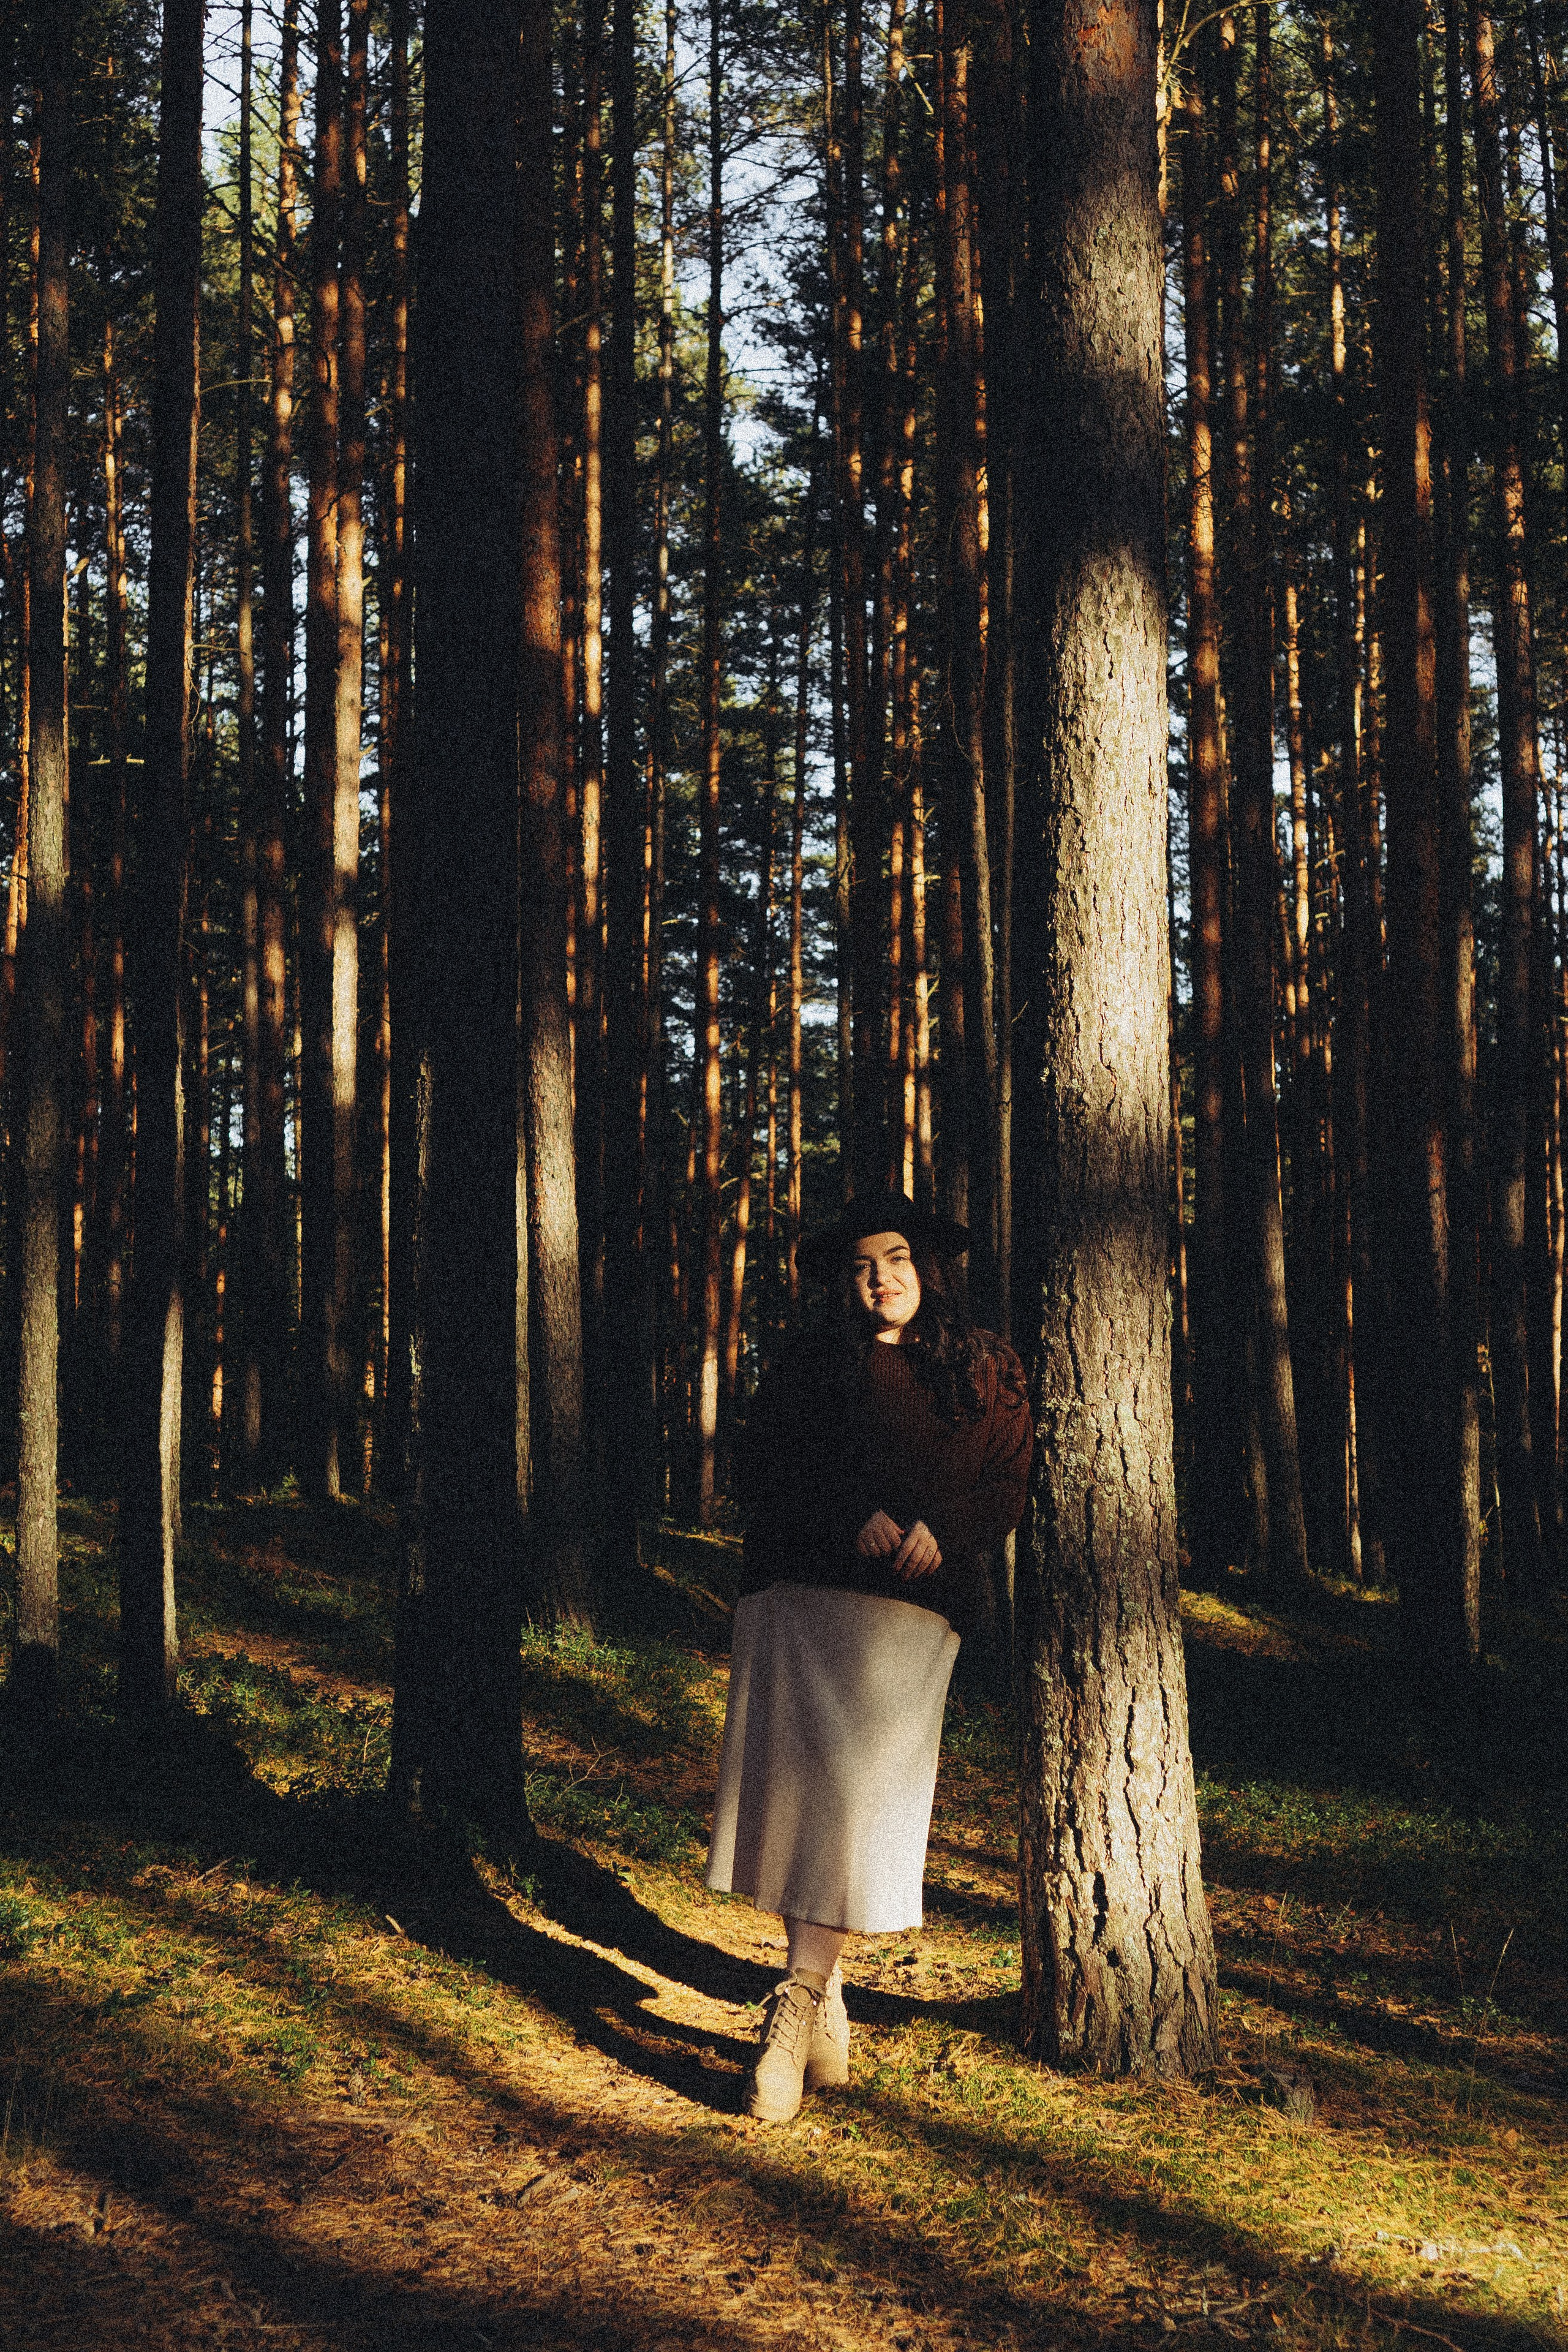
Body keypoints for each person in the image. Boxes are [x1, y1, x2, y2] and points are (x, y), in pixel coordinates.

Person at [706, 1191, 1034, 2124]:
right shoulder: (813, 1364)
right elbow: (763, 1463)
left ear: (929, 1267)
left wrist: (948, 1529)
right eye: (860, 1266)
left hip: (911, 1613)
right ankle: (820, 1997)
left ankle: (795, 2003)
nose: (879, 1279)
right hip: (799, 1593)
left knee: (854, 1798)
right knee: (805, 1795)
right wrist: (846, 1514)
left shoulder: (988, 1370)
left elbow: (1009, 1483)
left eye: (894, 1259)